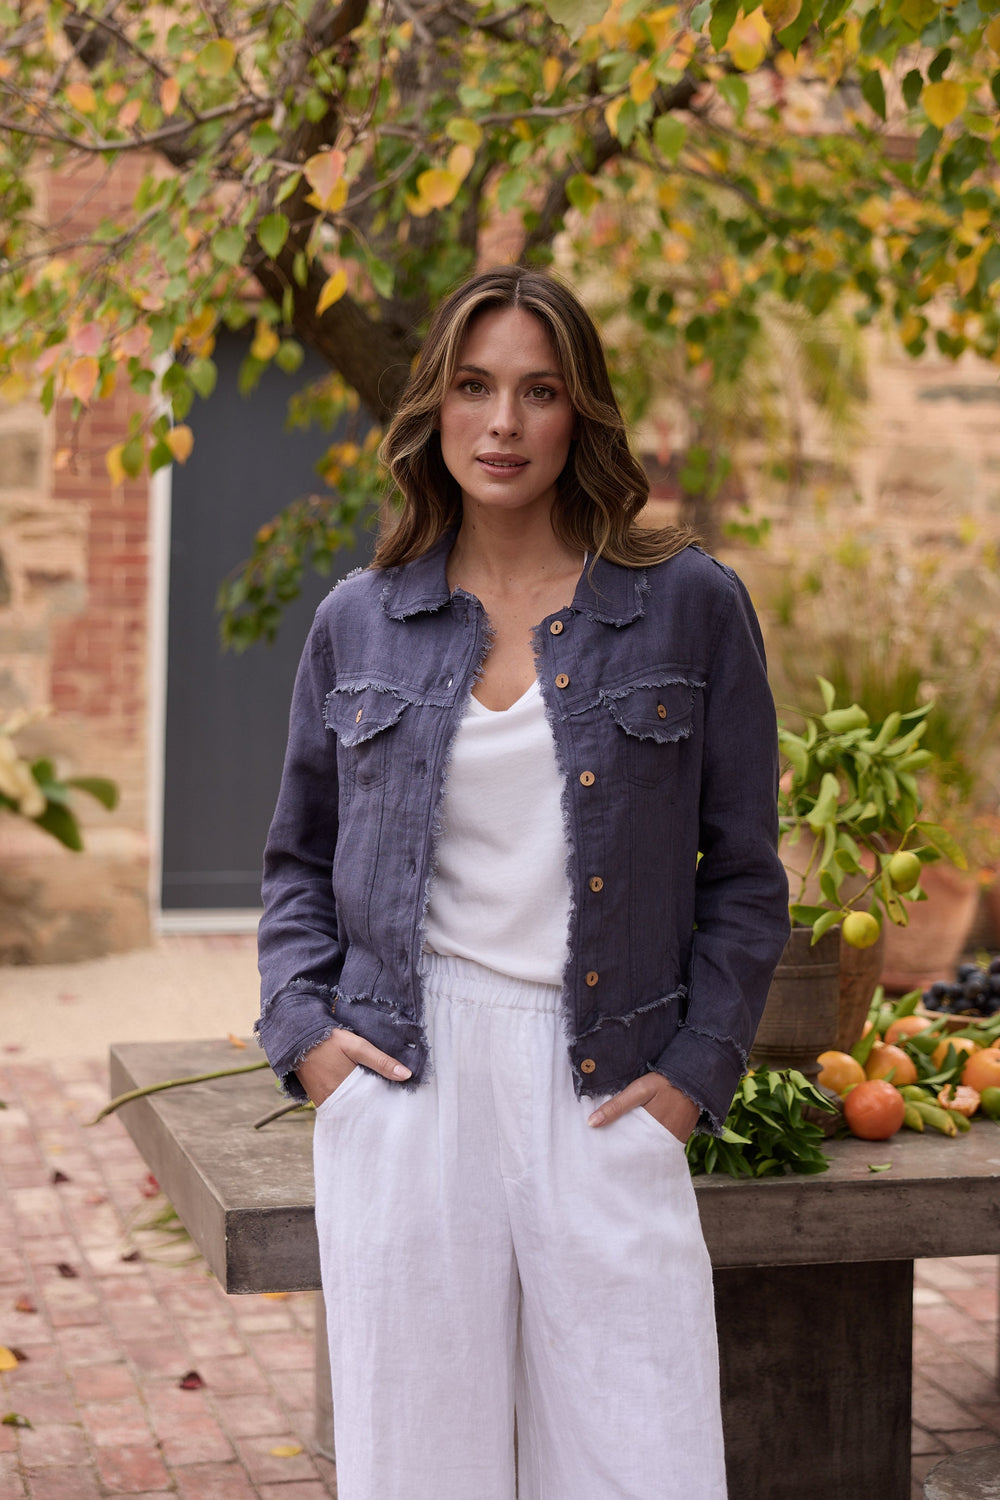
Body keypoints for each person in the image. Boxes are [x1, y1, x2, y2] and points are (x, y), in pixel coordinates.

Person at [255, 265, 790, 1500]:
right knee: (420, 1467)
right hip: (407, 1073)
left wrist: (696, 1074)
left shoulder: (687, 608)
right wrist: (312, 1046)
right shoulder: (360, 620)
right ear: (434, 410)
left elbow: (748, 876)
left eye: (538, 392)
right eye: (474, 386)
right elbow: (294, 862)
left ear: (579, 415)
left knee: (639, 1454)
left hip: (605, 1077)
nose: (503, 423)